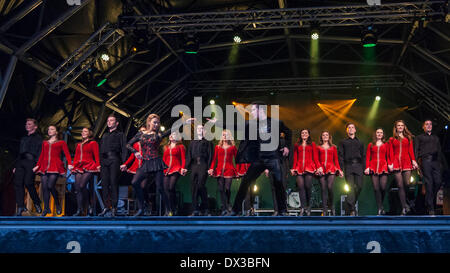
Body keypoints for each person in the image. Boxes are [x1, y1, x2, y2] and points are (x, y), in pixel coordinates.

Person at [210, 101, 292, 216]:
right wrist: (218, 123)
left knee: (278, 183)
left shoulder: (276, 123)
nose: (252, 112)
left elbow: (288, 132)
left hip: (273, 158)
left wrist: (287, 147)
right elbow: (235, 126)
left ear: (260, 110)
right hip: (259, 159)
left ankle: (283, 211)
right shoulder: (252, 124)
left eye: (253, 110)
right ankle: (235, 210)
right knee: (245, 182)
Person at [126, 114, 192, 216]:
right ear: (149, 123)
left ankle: (168, 209)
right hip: (145, 163)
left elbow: (171, 129)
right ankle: (141, 208)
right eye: (154, 122)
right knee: (135, 183)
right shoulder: (141, 134)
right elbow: (128, 144)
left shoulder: (158, 135)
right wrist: (135, 152)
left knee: (160, 187)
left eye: (157, 123)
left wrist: (183, 122)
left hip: (156, 162)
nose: (156, 125)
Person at [33, 125, 72, 216]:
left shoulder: (61, 142)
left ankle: (57, 204)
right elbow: (42, 155)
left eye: (52, 129)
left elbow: (67, 154)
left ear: (56, 132)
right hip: (44, 166)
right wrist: (37, 165)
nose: (49, 131)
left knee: (50, 186)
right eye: (49, 129)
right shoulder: (45, 143)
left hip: (55, 166)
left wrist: (70, 163)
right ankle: (46, 208)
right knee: (44, 187)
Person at [98, 114, 128, 217]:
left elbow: (124, 149)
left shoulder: (120, 134)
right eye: (108, 120)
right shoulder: (105, 135)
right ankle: (106, 207)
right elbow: (100, 150)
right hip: (104, 160)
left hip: (114, 159)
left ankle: (114, 207)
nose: (109, 122)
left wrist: (124, 163)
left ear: (116, 123)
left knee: (113, 182)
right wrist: (99, 163)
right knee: (104, 184)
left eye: (111, 120)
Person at [13, 118, 43, 216]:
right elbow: (19, 152)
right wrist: (15, 166)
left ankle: (37, 202)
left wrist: (38, 165)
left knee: (28, 183)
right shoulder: (23, 138)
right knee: (18, 183)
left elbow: (40, 153)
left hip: (31, 162)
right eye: (26, 124)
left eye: (29, 124)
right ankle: (21, 205)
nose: (27, 126)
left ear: (35, 126)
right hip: (21, 162)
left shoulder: (39, 139)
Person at [414, 120, 444, 215]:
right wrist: (415, 163)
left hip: (435, 162)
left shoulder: (436, 138)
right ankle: (431, 208)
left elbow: (439, 151)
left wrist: (440, 164)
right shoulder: (419, 137)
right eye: (427, 124)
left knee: (438, 182)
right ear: (423, 127)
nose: (429, 126)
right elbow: (416, 150)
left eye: (430, 124)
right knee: (429, 183)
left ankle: (429, 198)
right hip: (425, 161)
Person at [389, 120, 419, 215]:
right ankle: (404, 207)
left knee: (406, 183)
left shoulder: (408, 137)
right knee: (400, 185)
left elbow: (411, 151)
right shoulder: (392, 139)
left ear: (404, 127)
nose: (400, 127)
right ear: (396, 127)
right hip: (396, 161)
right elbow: (390, 152)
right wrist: (390, 163)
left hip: (406, 161)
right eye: (398, 125)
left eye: (402, 125)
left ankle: (405, 202)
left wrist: (413, 160)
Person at [186, 124, 214, 216]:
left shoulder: (208, 142)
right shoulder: (192, 142)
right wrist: (185, 167)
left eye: (202, 128)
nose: (200, 130)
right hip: (194, 165)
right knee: (193, 187)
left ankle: (205, 208)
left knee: (200, 185)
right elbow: (189, 156)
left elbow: (210, 156)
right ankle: (195, 210)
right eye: (198, 128)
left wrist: (210, 168)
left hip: (203, 164)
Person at [71, 127, 100, 216]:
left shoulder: (93, 143)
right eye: (82, 131)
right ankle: (79, 209)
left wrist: (98, 165)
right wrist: (73, 167)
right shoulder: (79, 145)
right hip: (79, 166)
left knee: (82, 185)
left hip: (89, 165)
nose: (83, 133)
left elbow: (96, 155)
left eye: (85, 131)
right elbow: (76, 157)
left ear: (89, 133)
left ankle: (89, 206)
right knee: (78, 188)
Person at [291, 129, 320, 216]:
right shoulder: (297, 145)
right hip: (299, 168)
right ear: (301, 135)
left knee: (308, 186)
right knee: (300, 187)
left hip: (309, 167)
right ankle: (302, 208)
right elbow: (295, 157)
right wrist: (293, 168)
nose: (304, 134)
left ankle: (308, 206)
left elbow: (315, 157)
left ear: (308, 135)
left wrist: (318, 167)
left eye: (306, 133)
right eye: (302, 133)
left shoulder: (312, 144)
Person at [208, 130, 237, 216]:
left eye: (226, 135)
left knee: (227, 188)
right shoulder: (217, 147)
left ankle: (227, 204)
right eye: (223, 135)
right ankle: (224, 208)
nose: (225, 136)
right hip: (219, 170)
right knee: (221, 189)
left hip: (229, 169)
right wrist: (211, 168)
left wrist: (239, 170)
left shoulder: (233, 147)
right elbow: (214, 159)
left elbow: (237, 159)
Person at [338, 123, 365, 216]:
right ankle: (352, 210)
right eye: (349, 127)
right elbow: (340, 156)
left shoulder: (360, 142)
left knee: (359, 186)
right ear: (347, 130)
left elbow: (363, 156)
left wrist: (365, 168)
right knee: (350, 187)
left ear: (355, 130)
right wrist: (341, 169)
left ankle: (351, 203)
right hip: (348, 166)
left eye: (352, 127)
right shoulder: (343, 142)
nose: (351, 129)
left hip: (358, 166)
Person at [316, 130, 343, 216]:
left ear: (329, 137)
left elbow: (336, 160)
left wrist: (339, 170)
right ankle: (324, 209)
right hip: (321, 169)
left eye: (326, 135)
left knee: (330, 187)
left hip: (331, 168)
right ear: (321, 137)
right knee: (323, 189)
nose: (325, 136)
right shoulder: (318, 147)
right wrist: (318, 167)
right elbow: (316, 159)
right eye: (323, 135)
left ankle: (331, 206)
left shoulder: (333, 147)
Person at [365, 128, 390, 215]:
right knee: (376, 189)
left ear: (383, 134)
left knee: (383, 188)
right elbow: (368, 157)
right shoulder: (371, 144)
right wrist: (367, 167)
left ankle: (381, 205)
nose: (379, 134)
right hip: (373, 166)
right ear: (375, 134)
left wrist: (390, 164)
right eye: (378, 132)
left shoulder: (386, 144)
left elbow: (389, 155)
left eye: (381, 133)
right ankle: (380, 208)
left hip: (383, 166)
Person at [162, 131, 187, 216]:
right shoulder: (166, 147)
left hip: (176, 168)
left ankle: (173, 207)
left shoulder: (180, 146)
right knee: (166, 189)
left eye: (174, 134)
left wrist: (183, 168)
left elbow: (183, 158)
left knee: (171, 187)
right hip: (166, 169)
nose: (172, 136)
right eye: (171, 135)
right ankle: (168, 209)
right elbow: (164, 159)